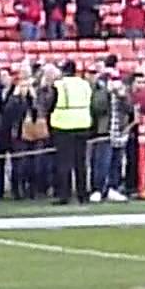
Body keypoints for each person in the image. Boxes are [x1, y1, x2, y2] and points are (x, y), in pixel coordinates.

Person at [49, 59, 92, 204]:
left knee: (64, 163)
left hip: (63, 126)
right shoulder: (85, 84)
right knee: (81, 163)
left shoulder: (59, 85)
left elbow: (51, 104)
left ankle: (64, 195)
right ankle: (82, 194)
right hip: (83, 125)